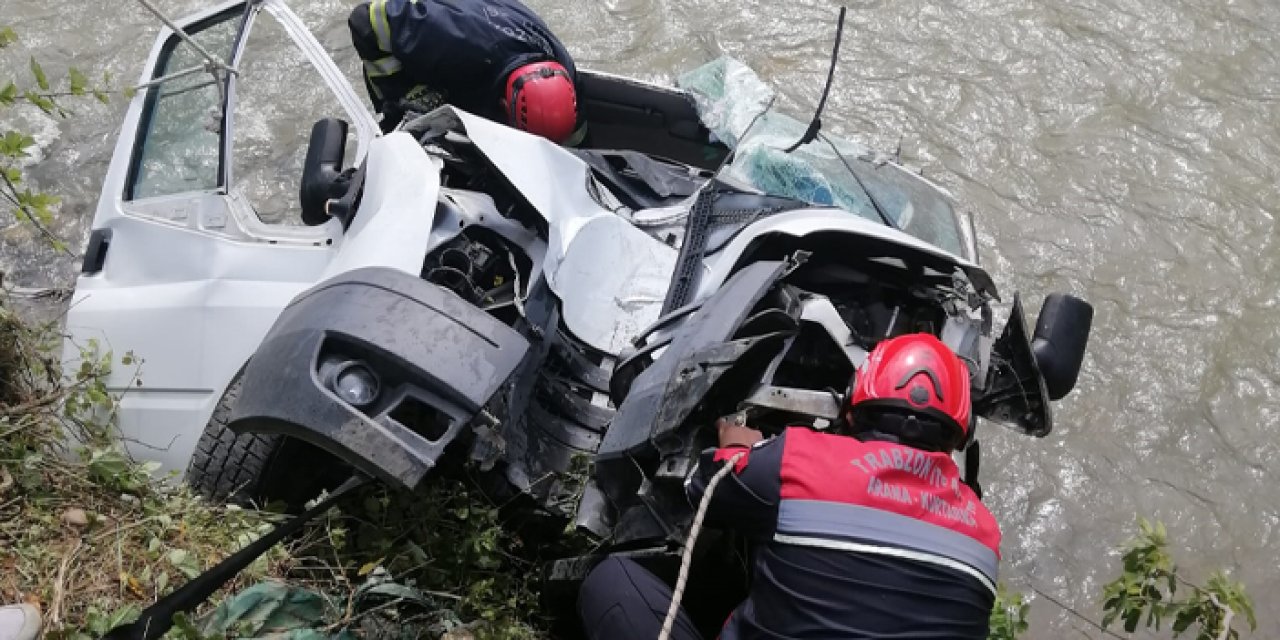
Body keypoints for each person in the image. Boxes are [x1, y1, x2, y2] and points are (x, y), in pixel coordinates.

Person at [578, 333, 1002, 639]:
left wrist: (739, 444)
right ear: (960, 432)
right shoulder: (984, 536)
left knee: (613, 581)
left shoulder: (799, 458)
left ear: (853, 403)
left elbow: (702, 487)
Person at [347, 0, 580, 143]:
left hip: (489, 20)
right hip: (435, 20)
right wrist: (405, 93)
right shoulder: (453, 44)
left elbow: (575, 139)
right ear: (503, 103)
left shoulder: (565, 68)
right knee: (401, 120)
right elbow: (363, 21)